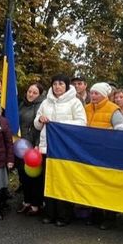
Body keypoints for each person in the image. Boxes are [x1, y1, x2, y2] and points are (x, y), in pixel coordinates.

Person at [34, 74, 87, 226]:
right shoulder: (45, 102)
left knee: (63, 182)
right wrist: (40, 120)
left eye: (61, 84)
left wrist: (58, 123)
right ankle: (49, 213)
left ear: (67, 86)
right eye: (55, 84)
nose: (57, 87)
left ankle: (64, 216)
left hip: (65, 149)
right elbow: (37, 124)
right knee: (48, 181)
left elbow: (82, 123)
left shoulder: (75, 102)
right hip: (47, 147)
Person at [84, 82, 123, 229]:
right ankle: (96, 214)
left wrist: (106, 136)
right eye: (92, 93)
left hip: (107, 153)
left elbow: (121, 130)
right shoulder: (86, 108)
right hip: (90, 152)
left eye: (97, 93)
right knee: (93, 184)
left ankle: (110, 217)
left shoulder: (113, 109)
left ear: (104, 95)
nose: (93, 96)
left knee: (107, 186)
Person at [17, 82, 45, 215]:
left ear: (40, 95)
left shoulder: (41, 106)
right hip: (20, 145)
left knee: (35, 176)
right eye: (29, 91)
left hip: (33, 146)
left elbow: (41, 128)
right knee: (23, 175)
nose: (31, 94)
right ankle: (26, 201)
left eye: (35, 93)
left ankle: (36, 204)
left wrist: (38, 144)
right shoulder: (22, 104)